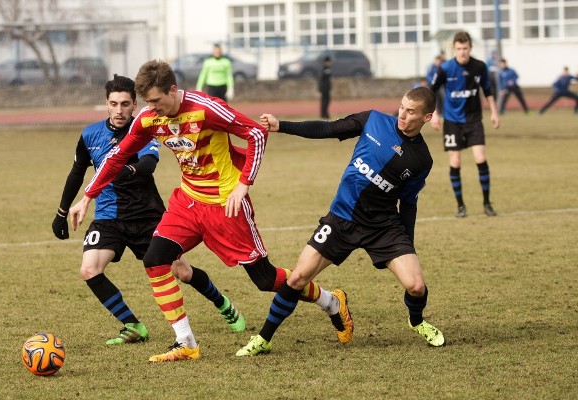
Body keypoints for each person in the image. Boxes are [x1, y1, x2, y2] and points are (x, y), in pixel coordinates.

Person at [69, 60, 353, 362]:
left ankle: (330, 301)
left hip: (225, 204)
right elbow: (116, 157)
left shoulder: (205, 108)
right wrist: (87, 197)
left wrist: (244, 184)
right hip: (188, 203)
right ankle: (186, 342)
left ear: (173, 90)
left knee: (265, 280)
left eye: (155, 100)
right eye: (147, 102)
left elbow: (255, 134)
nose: (151, 108)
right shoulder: (149, 118)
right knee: (154, 259)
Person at [236, 87, 445, 356]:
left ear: (426, 118)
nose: (402, 115)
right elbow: (328, 129)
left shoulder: (422, 160)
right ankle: (264, 339)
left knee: (416, 286)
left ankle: (417, 321)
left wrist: (408, 244)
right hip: (342, 219)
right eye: (402, 107)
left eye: (411, 111)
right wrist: (281, 126)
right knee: (298, 277)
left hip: (382, 227)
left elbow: (409, 202)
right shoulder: (373, 120)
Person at [52, 74, 245, 346]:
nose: (119, 110)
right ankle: (132, 325)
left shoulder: (146, 128)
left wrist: (124, 170)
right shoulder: (90, 135)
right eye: (114, 104)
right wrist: (61, 212)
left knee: (182, 271)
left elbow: (148, 163)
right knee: (89, 269)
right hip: (108, 217)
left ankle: (223, 304)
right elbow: (76, 173)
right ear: (106, 104)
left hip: (147, 215)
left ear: (134, 105)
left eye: (125, 104)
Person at [429, 31, 500, 218]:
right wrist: (434, 114)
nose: (462, 52)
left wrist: (493, 112)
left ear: (470, 48)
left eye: (465, 48)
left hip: (474, 120)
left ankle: (487, 203)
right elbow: (431, 92)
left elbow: (487, 90)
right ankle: (460, 206)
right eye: (459, 49)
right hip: (452, 122)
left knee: (480, 159)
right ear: (454, 48)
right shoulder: (445, 68)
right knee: (455, 161)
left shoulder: (479, 66)